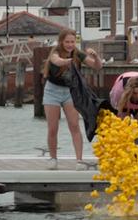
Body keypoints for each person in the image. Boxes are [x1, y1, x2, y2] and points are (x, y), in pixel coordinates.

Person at [42, 28, 103, 170]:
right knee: (53, 128)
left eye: (72, 41)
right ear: (61, 41)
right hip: (52, 91)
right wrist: (69, 60)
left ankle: (79, 160)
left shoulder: (77, 53)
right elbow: (57, 61)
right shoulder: (55, 52)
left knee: (74, 125)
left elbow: (96, 66)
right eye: (67, 42)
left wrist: (96, 57)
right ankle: (53, 158)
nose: (70, 44)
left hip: (70, 92)